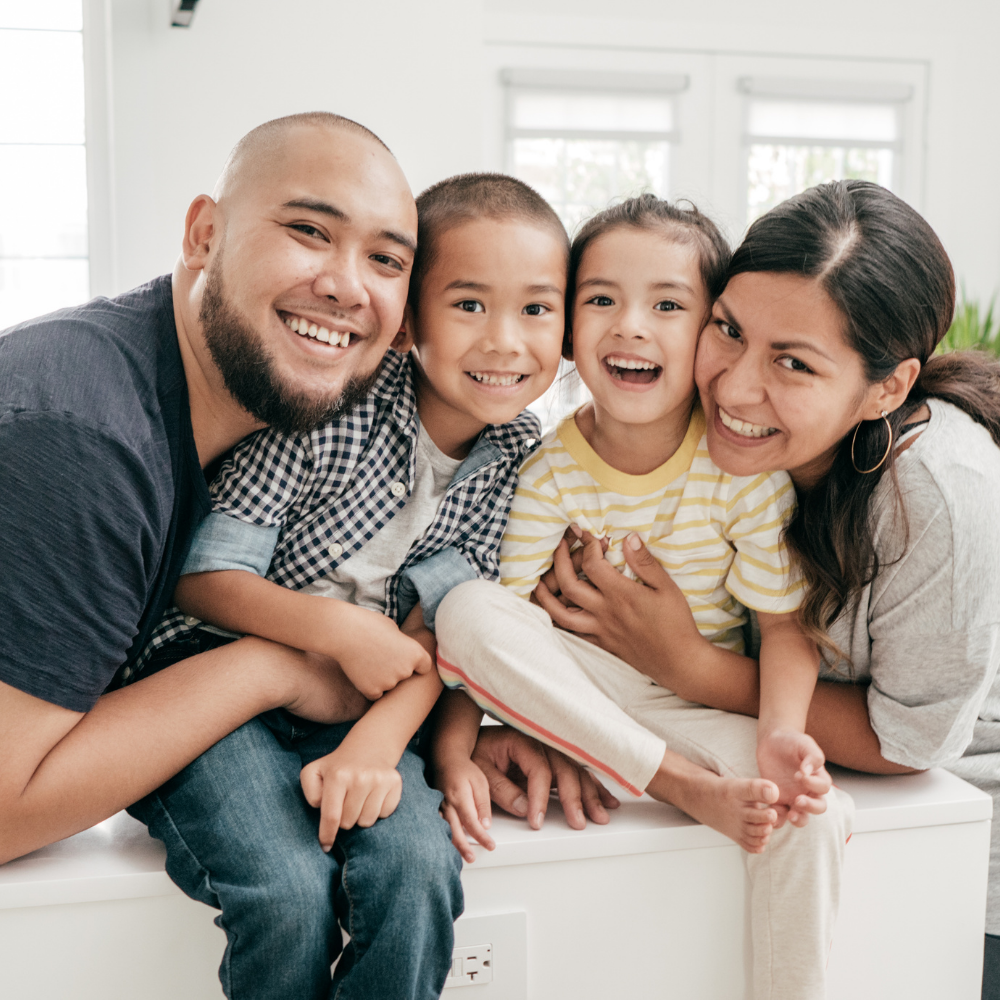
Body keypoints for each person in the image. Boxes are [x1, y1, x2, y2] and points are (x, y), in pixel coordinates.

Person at [523, 180, 1000, 999]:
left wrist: (684, 662)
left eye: (793, 363)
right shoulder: (680, 441)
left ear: (887, 388)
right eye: (729, 330)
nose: (733, 388)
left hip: (946, 856)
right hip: (751, 775)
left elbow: (910, 743)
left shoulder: (943, 500)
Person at [130, 172, 570, 999]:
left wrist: (380, 743)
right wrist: (335, 633)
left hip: (365, 711)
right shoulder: (334, 405)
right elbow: (201, 579)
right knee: (290, 894)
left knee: (416, 872)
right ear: (407, 323)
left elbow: (445, 632)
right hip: (213, 692)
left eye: (537, 310)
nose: (506, 341)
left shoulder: (516, 456)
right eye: (470, 305)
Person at [433, 194, 850, 1000]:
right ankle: (679, 789)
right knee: (467, 608)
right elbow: (504, 637)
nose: (631, 326)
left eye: (667, 305)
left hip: (696, 714)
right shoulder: (547, 471)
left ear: (710, 335)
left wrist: (781, 738)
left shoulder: (734, 469)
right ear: (565, 330)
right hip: (583, 704)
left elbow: (785, 625)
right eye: (602, 300)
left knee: (813, 812)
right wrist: (487, 739)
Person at [0, 112, 422, 866]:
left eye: (387, 261)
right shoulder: (83, 444)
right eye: (310, 231)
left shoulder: (261, 425)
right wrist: (275, 666)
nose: (346, 286)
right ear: (203, 235)